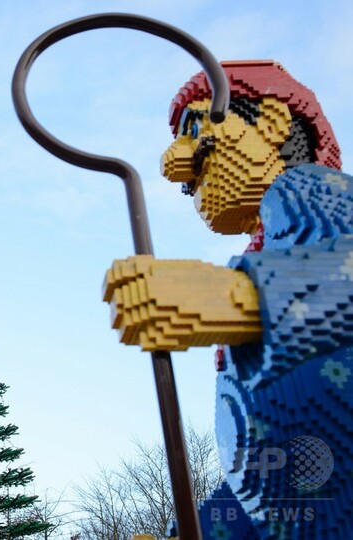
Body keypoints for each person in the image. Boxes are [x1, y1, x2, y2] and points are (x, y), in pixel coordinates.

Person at [102, 60, 352, 539]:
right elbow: (266, 483)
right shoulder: (270, 249)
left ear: (273, 123)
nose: (176, 165)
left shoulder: (311, 193)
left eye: (196, 131)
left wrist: (241, 296)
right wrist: (197, 530)